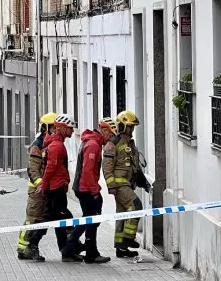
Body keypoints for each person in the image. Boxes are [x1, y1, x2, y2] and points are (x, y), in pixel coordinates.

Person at [60, 117, 117, 264]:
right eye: (110, 135)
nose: (109, 140)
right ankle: (79, 250)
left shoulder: (92, 142)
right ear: (104, 131)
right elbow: (87, 171)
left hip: (83, 187)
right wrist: (95, 191)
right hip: (86, 188)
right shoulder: (93, 145)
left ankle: (81, 249)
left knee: (89, 219)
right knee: (91, 219)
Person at [26, 113, 81, 262]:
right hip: (54, 189)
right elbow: (50, 168)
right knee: (54, 219)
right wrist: (43, 184)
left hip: (55, 188)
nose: (72, 131)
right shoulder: (56, 146)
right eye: (70, 128)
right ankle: (34, 245)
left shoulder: (56, 143)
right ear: (62, 128)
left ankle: (66, 251)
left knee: (59, 220)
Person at [102, 110, 152, 258]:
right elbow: (107, 167)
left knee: (122, 214)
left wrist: (144, 183)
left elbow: (135, 167)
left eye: (133, 127)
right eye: (129, 126)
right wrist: (111, 186)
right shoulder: (113, 144)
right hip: (119, 185)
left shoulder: (130, 144)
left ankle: (120, 247)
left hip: (128, 184)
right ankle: (128, 238)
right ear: (122, 126)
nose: (132, 130)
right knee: (136, 206)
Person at [17, 112, 57, 260]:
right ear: (46, 128)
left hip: (44, 189)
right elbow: (33, 169)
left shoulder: (49, 143)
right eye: (53, 127)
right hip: (37, 190)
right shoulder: (38, 145)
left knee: (40, 219)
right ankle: (25, 248)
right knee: (33, 219)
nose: (55, 130)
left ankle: (27, 248)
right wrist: (42, 185)